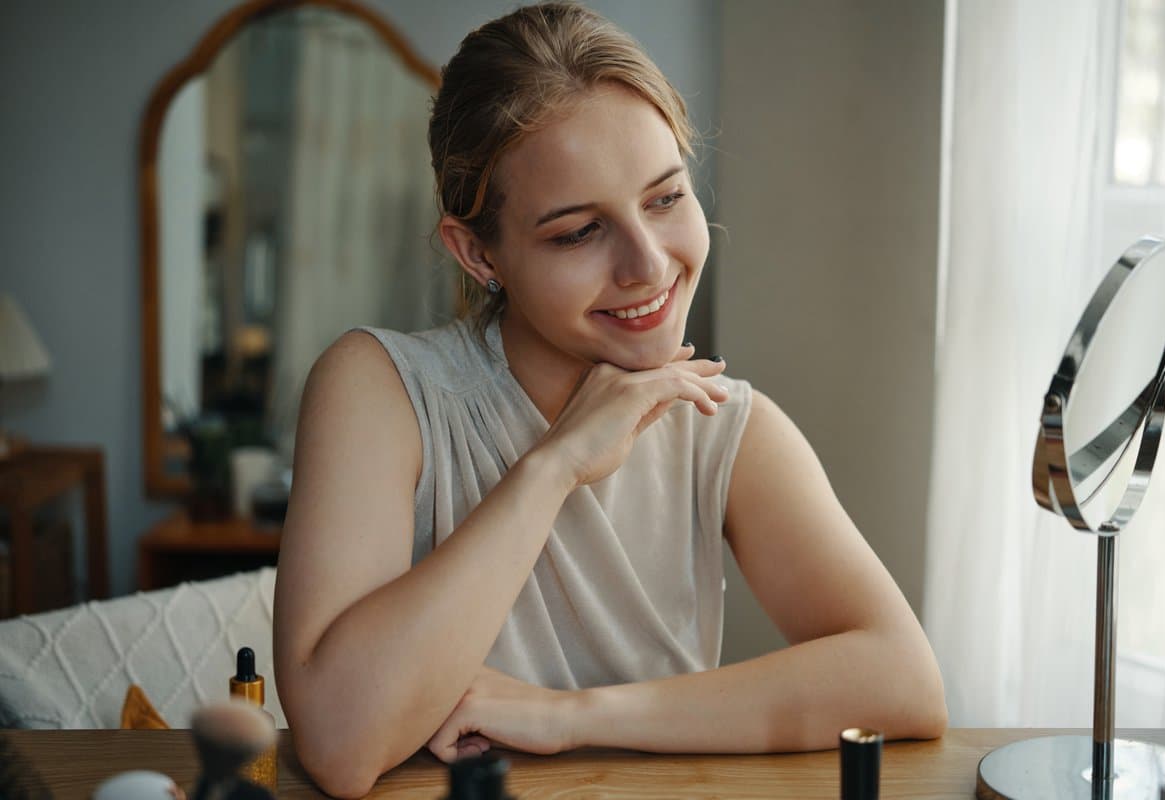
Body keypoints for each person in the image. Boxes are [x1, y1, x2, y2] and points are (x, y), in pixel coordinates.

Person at [272, 3, 947, 797]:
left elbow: (904, 681)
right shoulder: (378, 389)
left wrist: (573, 716)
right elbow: (341, 744)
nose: (647, 265)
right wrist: (553, 466)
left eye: (665, 199)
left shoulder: (728, 427)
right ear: (477, 251)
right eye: (578, 232)